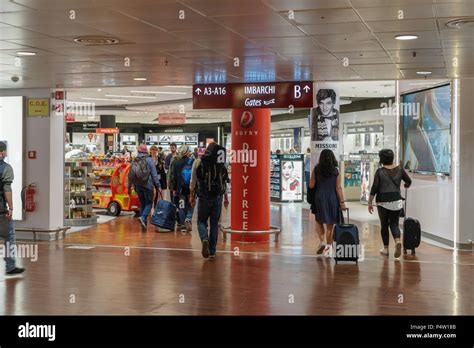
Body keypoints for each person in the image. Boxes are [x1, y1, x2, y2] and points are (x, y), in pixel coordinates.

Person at [368, 149, 412, 258]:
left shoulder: (380, 171)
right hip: (397, 201)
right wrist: (406, 185)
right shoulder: (400, 169)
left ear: (382, 159)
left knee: (384, 225)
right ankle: (397, 241)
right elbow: (409, 181)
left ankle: (386, 249)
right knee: (394, 224)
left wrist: (369, 202)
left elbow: (375, 188)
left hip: (383, 202)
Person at [190, 142, 229, 259]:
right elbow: (224, 181)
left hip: (203, 195)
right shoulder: (222, 164)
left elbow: (193, 181)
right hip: (218, 196)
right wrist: (226, 197)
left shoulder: (199, 162)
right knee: (214, 224)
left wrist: (192, 195)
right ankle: (212, 251)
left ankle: (204, 239)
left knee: (201, 221)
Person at [309, 149, 346, 256]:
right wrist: (342, 202)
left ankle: (322, 242)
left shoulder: (316, 169)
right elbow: (338, 188)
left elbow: (311, 185)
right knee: (330, 224)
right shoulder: (336, 171)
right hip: (332, 198)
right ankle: (329, 248)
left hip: (319, 197)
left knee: (319, 221)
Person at [0, 142, 25, 275]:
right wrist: (11, 208)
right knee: (9, 236)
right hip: (1, 211)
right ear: (2, 152)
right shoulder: (5, 168)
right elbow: (6, 189)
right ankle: (10, 267)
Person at [128, 144, 161, 231]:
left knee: (142, 204)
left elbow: (130, 175)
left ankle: (144, 226)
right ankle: (143, 218)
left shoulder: (135, 160)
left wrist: (129, 187)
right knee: (149, 204)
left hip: (138, 185)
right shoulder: (149, 160)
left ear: (139, 151)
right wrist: (158, 186)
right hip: (148, 185)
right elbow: (154, 175)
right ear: (146, 151)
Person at [168, 145, 195, 233]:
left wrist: (173, 188)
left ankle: (183, 225)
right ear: (187, 152)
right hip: (190, 188)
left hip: (180, 189)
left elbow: (173, 177)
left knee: (181, 206)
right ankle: (189, 217)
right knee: (191, 204)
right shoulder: (192, 161)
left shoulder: (176, 162)